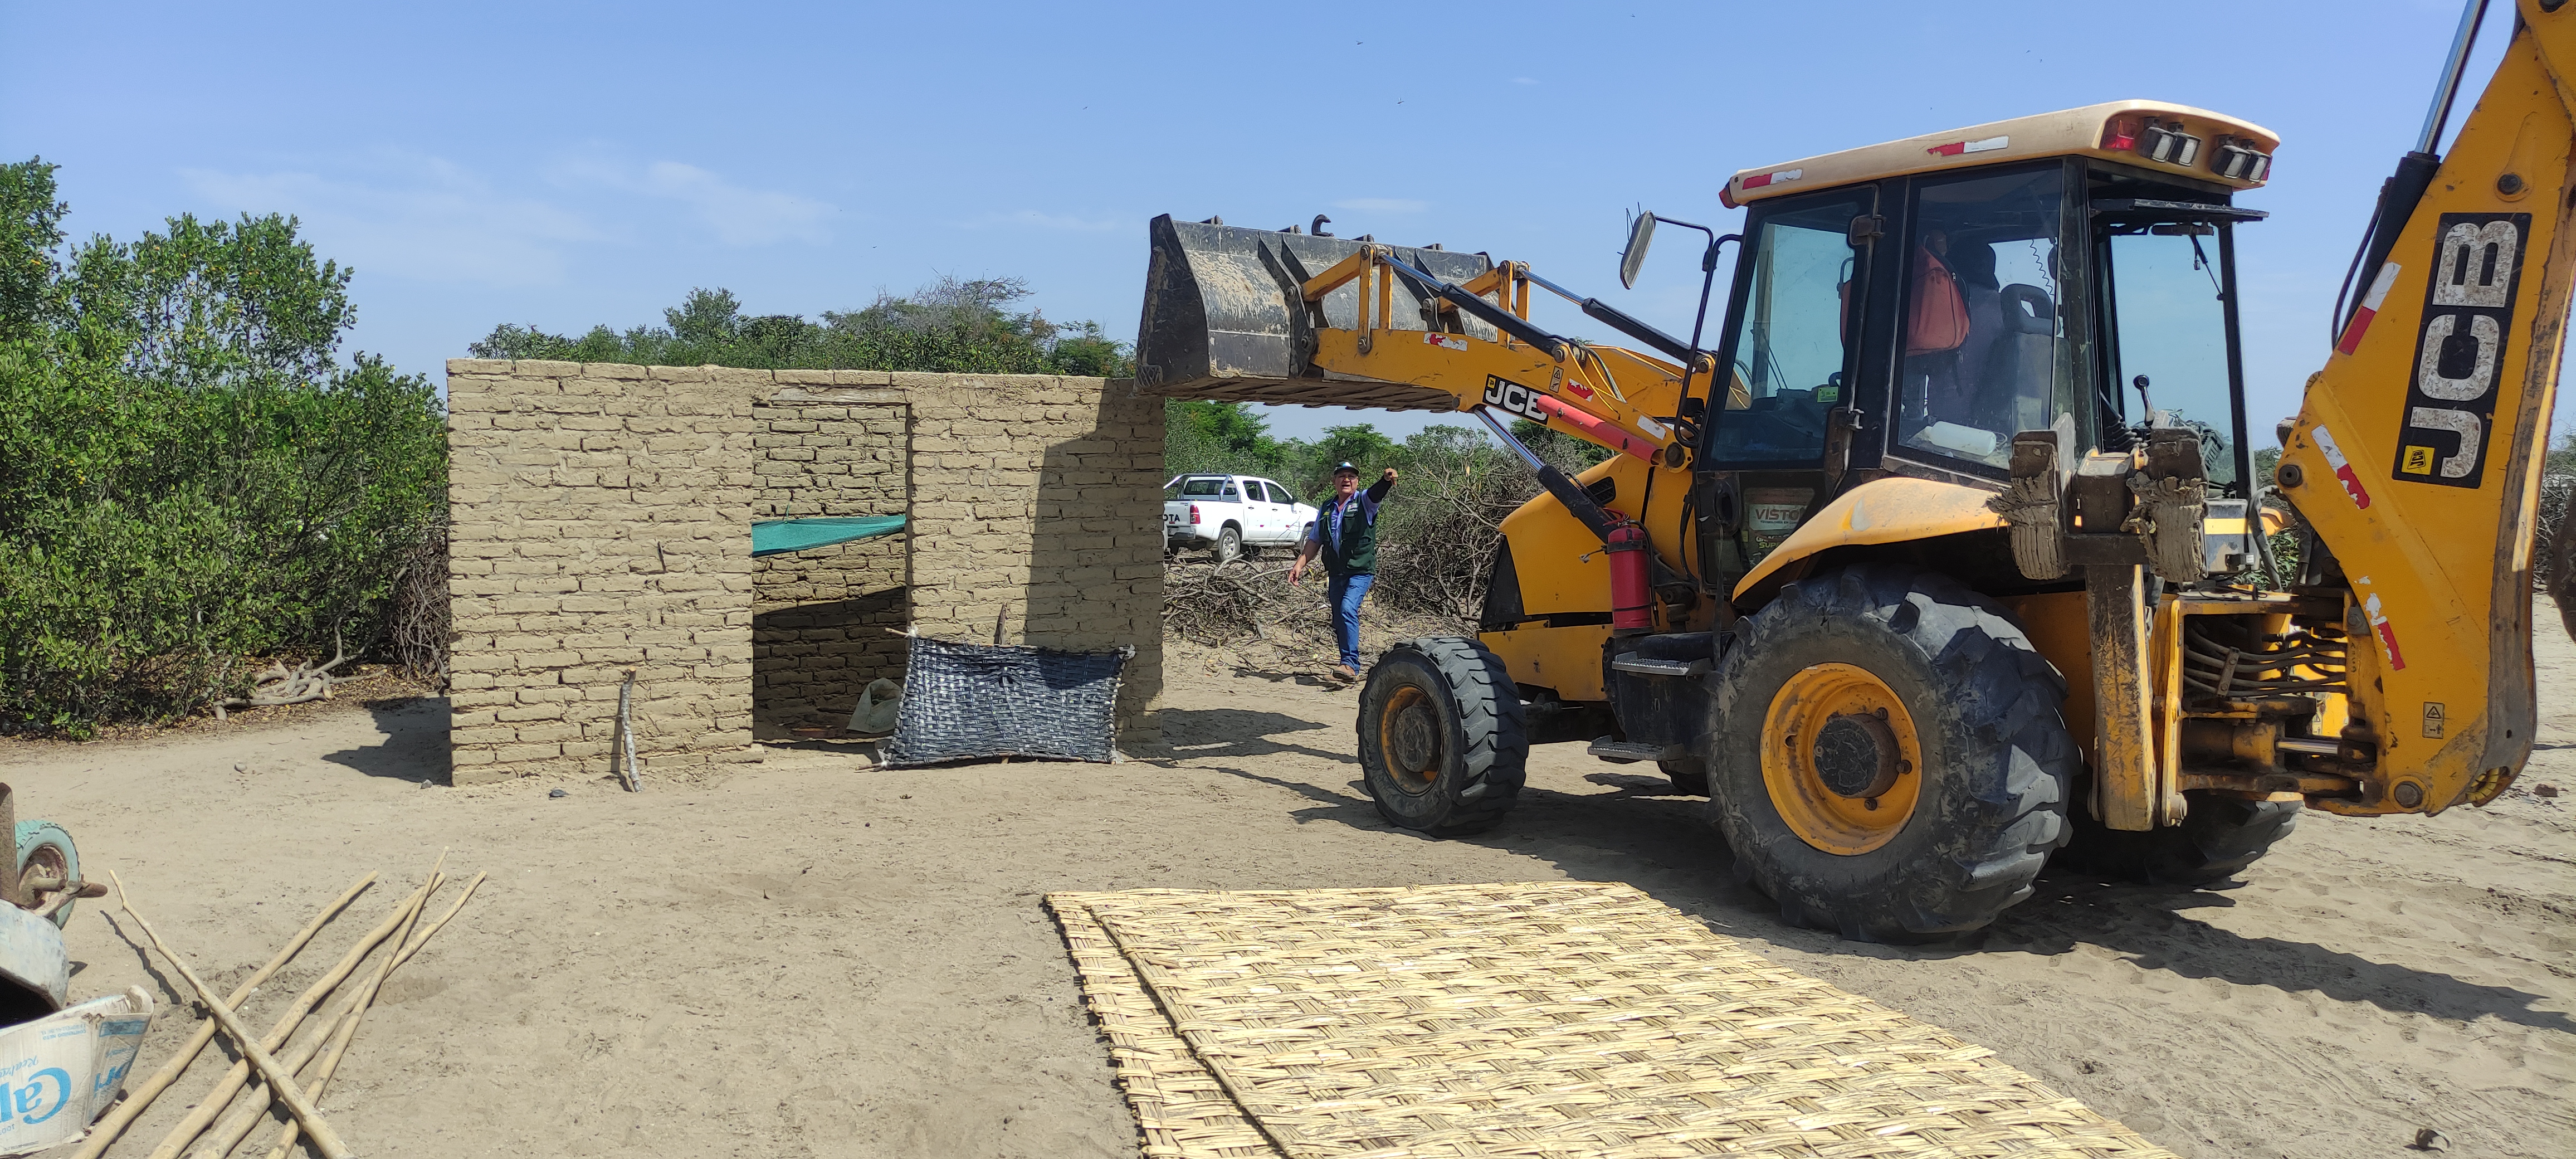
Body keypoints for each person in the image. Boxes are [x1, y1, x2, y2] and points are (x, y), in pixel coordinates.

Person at [1289, 462, 1398, 684]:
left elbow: (1377, 493)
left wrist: (1386, 480)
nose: (1346, 480)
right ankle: (1345, 665)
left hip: (1360, 571)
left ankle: (1350, 665)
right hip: (1337, 572)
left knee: (1348, 608)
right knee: (1339, 616)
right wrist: (1300, 564)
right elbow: (1316, 539)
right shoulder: (1327, 507)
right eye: (1341, 476)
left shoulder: (1364, 501)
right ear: (1334, 481)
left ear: (1357, 482)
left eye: (1351, 476)